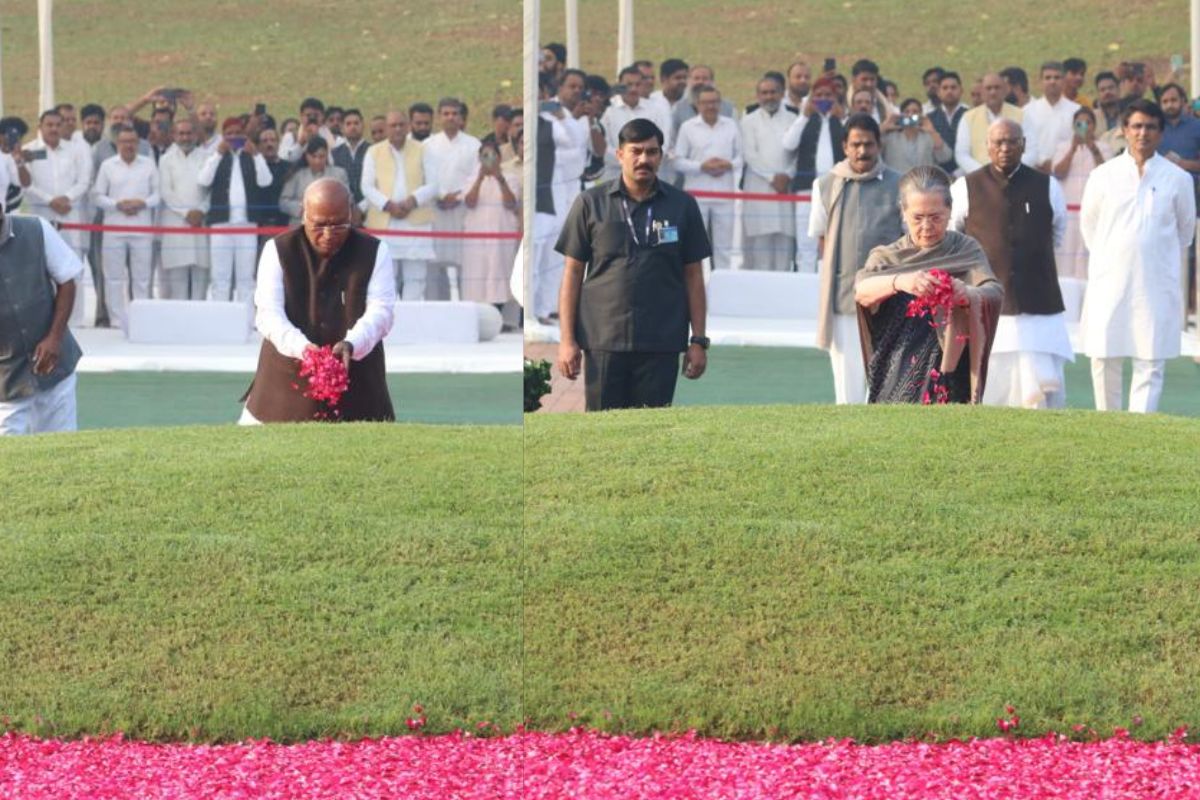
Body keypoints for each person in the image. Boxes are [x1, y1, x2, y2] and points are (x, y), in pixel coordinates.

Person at [555, 118, 711, 411]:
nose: (644, 159)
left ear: (661, 157)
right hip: (603, 339)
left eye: (652, 152)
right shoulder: (590, 203)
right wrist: (566, 340)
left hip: (662, 340)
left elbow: (694, 276)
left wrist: (698, 340)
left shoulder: (682, 206)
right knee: (600, 433)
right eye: (636, 151)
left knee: (650, 434)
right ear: (620, 154)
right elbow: (572, 272)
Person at [241, 179, 395, 424]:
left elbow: (382, 312)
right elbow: (268, 315)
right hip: (283, 384)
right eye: (319, 225)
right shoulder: (277, 250)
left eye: (338, 225)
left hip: (359, 383)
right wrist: (304, 349)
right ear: (304, 215)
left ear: (352, 215)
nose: (328, 234)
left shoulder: (376, 251)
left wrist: (352, 344)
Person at [1080, 99, 1196, 413]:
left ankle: (1141, 425)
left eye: (1150, 127)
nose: (1143, 133)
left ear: (1160, 133)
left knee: (1151, 357)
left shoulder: (1177, 179)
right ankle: (1108, 424)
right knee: (1104, 356)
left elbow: (1185, 233)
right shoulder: (1103, 176)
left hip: (1155, 283)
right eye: (1136, 126)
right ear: (1124, 130)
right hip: (1110, 280)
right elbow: (1089, 228)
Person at [855, 165, 1003, 404]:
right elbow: (862, 291)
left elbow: (993, 291)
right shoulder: (886, 257)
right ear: (903, 212)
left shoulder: (965, 250)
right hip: (897, 373)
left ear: (950, 211)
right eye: (917, 218)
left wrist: (966, 294)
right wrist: (901, 282)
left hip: (951, 377)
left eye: (936, 217)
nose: (926, 227)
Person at [951, 118, 1073, 409]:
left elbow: (1057, 232)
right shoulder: (965, 187)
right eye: (998, 142)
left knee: (1041, 388)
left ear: (1024, 145)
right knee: (992, 383)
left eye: (1012, 141)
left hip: (1038, 304)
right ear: (987, 147)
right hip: (987, 301)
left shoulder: (1048, 185)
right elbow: (955, 238)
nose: (1005, 148)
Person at [810, 114, 903, 404]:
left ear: (879, 145)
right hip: (844, 297)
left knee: (885, 374)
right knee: (847, 380)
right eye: (856, 144)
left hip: (889, 295)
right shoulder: (826, 185)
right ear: (844, 147)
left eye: (869, 144)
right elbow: (821, 237)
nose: (862, 151)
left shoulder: (900, 184)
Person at [0, 206, 85, 434]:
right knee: (7, 460)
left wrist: (55, 338)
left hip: (55, 366)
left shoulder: (36, 229)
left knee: (61, 448)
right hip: (5, 379)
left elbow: (67, 280)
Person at [360, 110, 438, 301]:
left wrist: (412, 201)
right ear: (386, 128)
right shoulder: (374, 152)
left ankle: (411, 320)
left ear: (408, 126)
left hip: (416, 220)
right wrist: (388, 205)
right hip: (385, 221)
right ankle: (390, 321)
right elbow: (366, 186)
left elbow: (434, 184)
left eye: (401, 125)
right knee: (386, 276)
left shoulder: (422, 149)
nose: (397, 129)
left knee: (416, 276)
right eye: (393, 125)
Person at [197, 116, 274, 303]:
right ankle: (220, 319)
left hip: (247, 224)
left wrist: (256, 155)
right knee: (220, 276)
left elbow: (266, 181)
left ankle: (245, 321)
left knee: (246, 277)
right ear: (223, 137)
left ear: (244, 136)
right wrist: (217, 154)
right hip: (221, 224)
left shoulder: (252, 156)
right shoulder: (216, 156)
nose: (233, 138)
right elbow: (203, 180)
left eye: (237, 134)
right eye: (229, 134)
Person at [92, 125, 160, 330]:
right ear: (117, 144)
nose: (128, 145)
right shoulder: (107, 165)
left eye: (132, 141)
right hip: (114, 229)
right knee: (113, 277)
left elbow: (157, 194)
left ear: (138, 144)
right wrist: (117, 204)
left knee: (142, 278)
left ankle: (142, 320)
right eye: (124, 141)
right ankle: (116, 321)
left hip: (142, 229)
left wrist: (142, 203)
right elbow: (97, 196)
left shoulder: (148, 164)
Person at [674, 85, 742, 271]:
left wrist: (727, 165)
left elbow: (741, 158)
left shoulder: (730, 125)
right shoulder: (688, 128)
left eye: (714, 102)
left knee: (724, 248)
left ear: (720, 104)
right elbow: (678, 161)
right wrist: (701, 166)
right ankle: (694, 290)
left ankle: (723, 288)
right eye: (706, 102)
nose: (710, 106)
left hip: (724, 194)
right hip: (696, 197)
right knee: (692, 247)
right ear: (697, 104)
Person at [783, 76, 846, 272]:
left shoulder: (844, 119)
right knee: (806, 242)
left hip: (838, 189)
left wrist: (841, 118)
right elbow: (788, 144)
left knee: (836, 241)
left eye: (828, 95)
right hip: (806, 188)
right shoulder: (803, 119)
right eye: (818, 95)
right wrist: (804, 115)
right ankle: (805, 284)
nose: (823, 99)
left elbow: (852, 147)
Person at [424, 97, 481, 299]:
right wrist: (440, 195)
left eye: (455, 114)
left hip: (462, 209)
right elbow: (425, 176)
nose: (450, 117)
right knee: (433, 264)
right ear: (439, 117)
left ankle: (467, 306)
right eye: (446, 113)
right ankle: (435, 309)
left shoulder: (474, 145)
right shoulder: (427, 145)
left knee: (465, 262)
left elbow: (477, 176)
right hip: (435, 209)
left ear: (461, 117)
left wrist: (458, 196)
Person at [740, 74, 798, 271]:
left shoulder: (794, 119)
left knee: (784, 247)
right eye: (764, 93)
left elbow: (800, 153)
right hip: (759, 188)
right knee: (760, 248)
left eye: (773, 92)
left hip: (785, 189)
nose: (769, 96)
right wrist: (771, 178)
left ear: (782, 94)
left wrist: (788, 175)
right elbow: (750, 154)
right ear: (758, 96)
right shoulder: (748, 121)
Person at [1051, 106, 1112, 278]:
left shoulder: (1104, 148)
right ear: (1073, 126)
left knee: (1090, 259)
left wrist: (1093, 149)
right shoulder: (1063, 147)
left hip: (1094, 213)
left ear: (1094, 126)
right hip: (1069, 212)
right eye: (1080, 123)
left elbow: (1108, 175)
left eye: (1088, 123)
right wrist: (1072, 149)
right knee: (1065, 261)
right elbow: (1058, 173)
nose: (1084, 127)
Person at [157, 118, 211, 299]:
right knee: (177, 286)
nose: (185, 137)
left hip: (200, 224)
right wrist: (186, 213)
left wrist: (201, 210)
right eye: (181, 133)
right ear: (174, 135)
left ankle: (200, 325)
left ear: (196, 135)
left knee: (200, 284)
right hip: (176, 223)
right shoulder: (166, 160)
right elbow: (166, 191)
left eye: (189, 133)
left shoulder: (207, 157)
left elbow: (213, 191)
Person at [462, 140, 520, 308]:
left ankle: (498, 315)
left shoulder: (510, 178)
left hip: (501, 234)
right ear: (479, 159)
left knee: (498, 273)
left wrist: (499, 178)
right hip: (476, 236)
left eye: (492, 155)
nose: (489, 160)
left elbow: (511, 203)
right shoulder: (471, 179)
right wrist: (480, 179)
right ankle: (476, 316)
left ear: (500, 158)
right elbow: (469, 202)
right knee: (476, 274)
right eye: (485, 156)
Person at [955, 72, 1029, 174]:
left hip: (1015, 177)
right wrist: (985, 173)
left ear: (1005, 90)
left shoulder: (1021, 115)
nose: (993, 92)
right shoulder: (968, 118)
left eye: (997, 88)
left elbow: (1031, 150)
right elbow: (961, 154)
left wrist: (1011, 170)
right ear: (982, 92)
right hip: (979, 178)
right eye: (988, 88)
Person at [1022, 62, 1081, 172]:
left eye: (1057, 78)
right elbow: (1024, 143)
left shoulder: (1078, 111)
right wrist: (1042, 162)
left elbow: (1082, 140)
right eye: (1048, 78)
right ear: (1040, 82)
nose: (1052, 81)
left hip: (1069, 171)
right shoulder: (1026, 111)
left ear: (1064, 81)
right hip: (1035, 171)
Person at [279, 138, 350, 227]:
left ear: (327, 155)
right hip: (301, 226)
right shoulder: (297, 175)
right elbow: (283, 202)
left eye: (321, 156)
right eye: (314, 156)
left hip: (331, 227)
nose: (317, 161)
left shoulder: (339, 174)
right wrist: (301, 209)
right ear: (306, 156)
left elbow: (348, 199)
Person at [880, 98, 951, 174]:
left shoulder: (929, 137)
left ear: (920, 115)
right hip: (896, 183)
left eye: (915, 112)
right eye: (906, 112)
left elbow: (945, 157)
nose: (910, 115)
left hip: (923, 183)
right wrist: (883, 127)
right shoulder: (890, 138)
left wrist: (932, 131)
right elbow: (874, 153)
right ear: (901, 114)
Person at [330, 108, 370, 213]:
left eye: (356, 123)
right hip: (342, 211)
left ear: (363, 125)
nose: (353, 127)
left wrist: (361, 208)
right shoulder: (334, 154)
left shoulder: (373, 151)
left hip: (370, 209)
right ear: (342, 128)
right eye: (348, 124)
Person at [928, 71, 967, 175]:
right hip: (936, 176)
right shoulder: (929, 119)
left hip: (966, 174)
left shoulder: (970, 116)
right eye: (945, 88)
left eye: (953, 88)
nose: (949, 91)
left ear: (961, 91)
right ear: (938, 92)